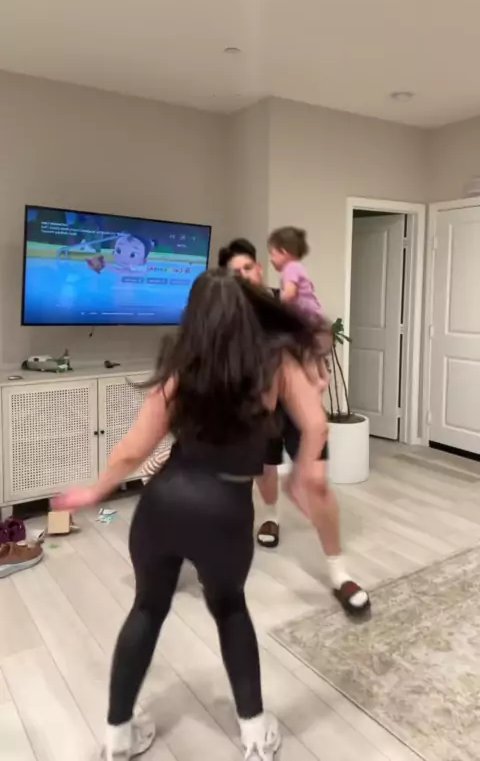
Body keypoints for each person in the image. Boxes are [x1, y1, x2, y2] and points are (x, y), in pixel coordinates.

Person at [53, 269, 330, 761]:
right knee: (230, 609)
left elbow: (133, 449)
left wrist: (95, 490)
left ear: (193, 315)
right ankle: (255, 735)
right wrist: (303, 474)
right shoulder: (276, 364)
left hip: (163, 505)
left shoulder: (182, 366)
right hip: (225, 510)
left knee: (147, 608)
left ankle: (117, 738)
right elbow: (316, 425)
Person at [218, 239, 370, 618]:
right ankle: (271, 516)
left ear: (259, 268)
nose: (245, 275)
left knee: (317, 482)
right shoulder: (226, 315)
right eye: (236, 272)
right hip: (261, 404)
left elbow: (320, 336)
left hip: (299, 402)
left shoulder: (287, 299)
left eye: (249, 267)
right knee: (266, 467)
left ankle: (339, 572)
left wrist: (317, 362)